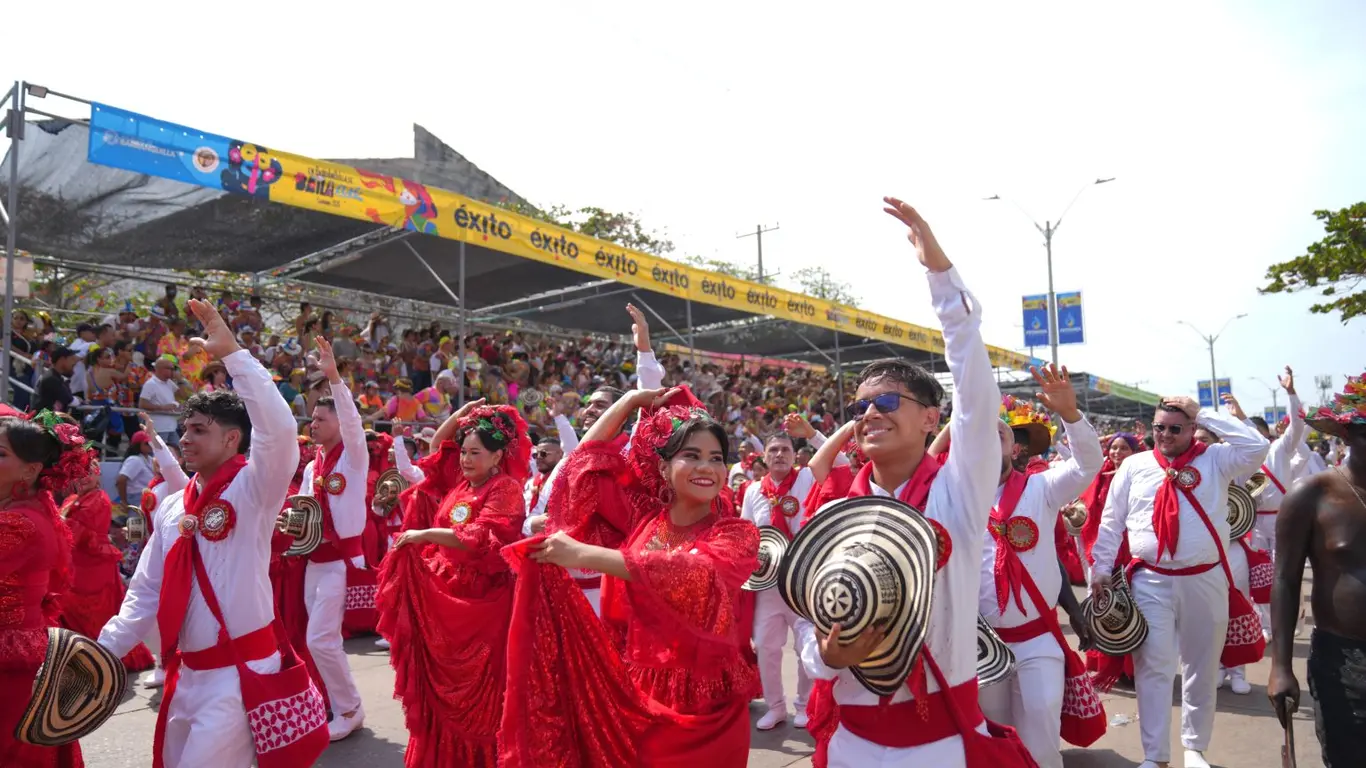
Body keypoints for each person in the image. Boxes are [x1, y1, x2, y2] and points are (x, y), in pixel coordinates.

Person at [794, 199, 1015, 768]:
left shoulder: (958, 493)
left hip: (938, 745)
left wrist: (940, 279)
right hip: (850, 743)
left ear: (929, 419)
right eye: (861, 406)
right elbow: (802, 612)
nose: (869, 415)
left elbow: (975, 390)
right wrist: (825, 655)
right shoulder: (834, 516)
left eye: (888, 401)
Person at [98, 299, 322, 768]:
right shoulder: (173, 507)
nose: (186, 439)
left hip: (241, 677)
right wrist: (101, 654)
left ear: (232, 439)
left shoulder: (253, 489)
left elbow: (280, 434)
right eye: (184, 429)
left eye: (199, 429)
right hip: (187, 677)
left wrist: (236, 357)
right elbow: (145, 593)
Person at [501, 386, 759, 767]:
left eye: (716, 458)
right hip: (637, 695)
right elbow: (582, 465)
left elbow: (697, 572)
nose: (707, 467)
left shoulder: (735, 534)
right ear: (662, 468)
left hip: (708, 711)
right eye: (691, 455)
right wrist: (629, 402)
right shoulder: (644, 518)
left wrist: (587, 555)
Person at [1089, 395, 1269, 768]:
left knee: (1201, 666)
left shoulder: (1218, 459)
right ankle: (1155, 756)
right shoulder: (1135, 465)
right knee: (1153, 667)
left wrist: (1203, 412)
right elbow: (1111, 520)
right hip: (1150, 581)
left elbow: (1258, 446)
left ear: (1191, 428)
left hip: (1204, 579)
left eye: (1175, 428)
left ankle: (1194, 748)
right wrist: (1101, 568)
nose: (1166, 435)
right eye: (1159, 427)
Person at [375, 402, 529, 768]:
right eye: (464, 452)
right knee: (439, 692)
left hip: (484, 605)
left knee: (481, 696)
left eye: (476, 453)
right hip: (444, 597)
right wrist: (465, 412)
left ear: (497, 457)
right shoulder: (460, 484)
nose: (465, 459)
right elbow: (437, 448)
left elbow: (483, 537)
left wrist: (426, 533)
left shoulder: (505, 489)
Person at [969, 370, 1104, 768]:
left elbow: (1087, 465)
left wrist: (1071, 415)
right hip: (981, 643)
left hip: (1037, 638)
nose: (989, 444)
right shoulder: (952, 494)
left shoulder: (1041, 489)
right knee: (992, 734)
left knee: (1042, 728)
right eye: (980, 437)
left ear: (1016, 450)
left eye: (1000, 436)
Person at [1269, 373, 1366, 768]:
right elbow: (1285, 580)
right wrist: (1279, 667)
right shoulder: (1311, 495)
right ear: (1347, 434)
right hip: (1344, 661)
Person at [0, 408, 91, 767]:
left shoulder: (19, 522)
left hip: (11, 671)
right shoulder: (27, 511)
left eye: (1, 453)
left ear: (31, 469)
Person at [741, 413, 835, 731]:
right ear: (764, 457)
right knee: (766, 646)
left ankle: (804, 706)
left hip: (803, 581)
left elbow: (836, 462)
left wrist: (811, 434)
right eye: (774, 450)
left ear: (796, 455)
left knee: (805, 644)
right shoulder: (753, 490)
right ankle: (775, 706)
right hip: (767, 584)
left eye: (785, 450)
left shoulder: (809, 477)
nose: (779, 455)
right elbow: (745, 532)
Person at [297, 337, 369, 741]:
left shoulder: (354, 456)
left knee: (321, 639)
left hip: (342, 561)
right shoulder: (314, 467)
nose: (313, 425)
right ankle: (334, 702)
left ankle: (350, 708)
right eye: (311, 420)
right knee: (321, 639)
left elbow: (354, 422)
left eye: (320, 419)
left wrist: (335, 379)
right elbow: (306, 512)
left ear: (339, 423)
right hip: (314, 561)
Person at [1224, 368, 1303, 640]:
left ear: (1265, 435)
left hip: (1283, 520)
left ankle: (1289, 620)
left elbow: (1297, 428)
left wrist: (1291, 394)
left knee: (1284, 574)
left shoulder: (1279, 449)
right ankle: (1267, 626)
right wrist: (1241, 418)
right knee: (1260, 577)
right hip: (1255, 523)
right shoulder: (1243, 461)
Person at [139, 355, 184, 449]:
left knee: (178, 452)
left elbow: (183, 394)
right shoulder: (151, 384)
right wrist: (162, 407)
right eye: (171, 369)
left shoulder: (169, 383)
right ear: (160, 369)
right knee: (159, 453)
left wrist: (180, 380)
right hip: (158, 428)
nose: (173, 371)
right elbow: (142, 403)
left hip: (171, 426)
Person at [31, 346, 77, 414]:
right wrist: (80, 400)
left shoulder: (55, 376)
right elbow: (70, 400)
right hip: (42, 422)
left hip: (47, 420)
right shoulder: (51, 379)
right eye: (71, 359)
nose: (74, 362)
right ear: (62, 360)